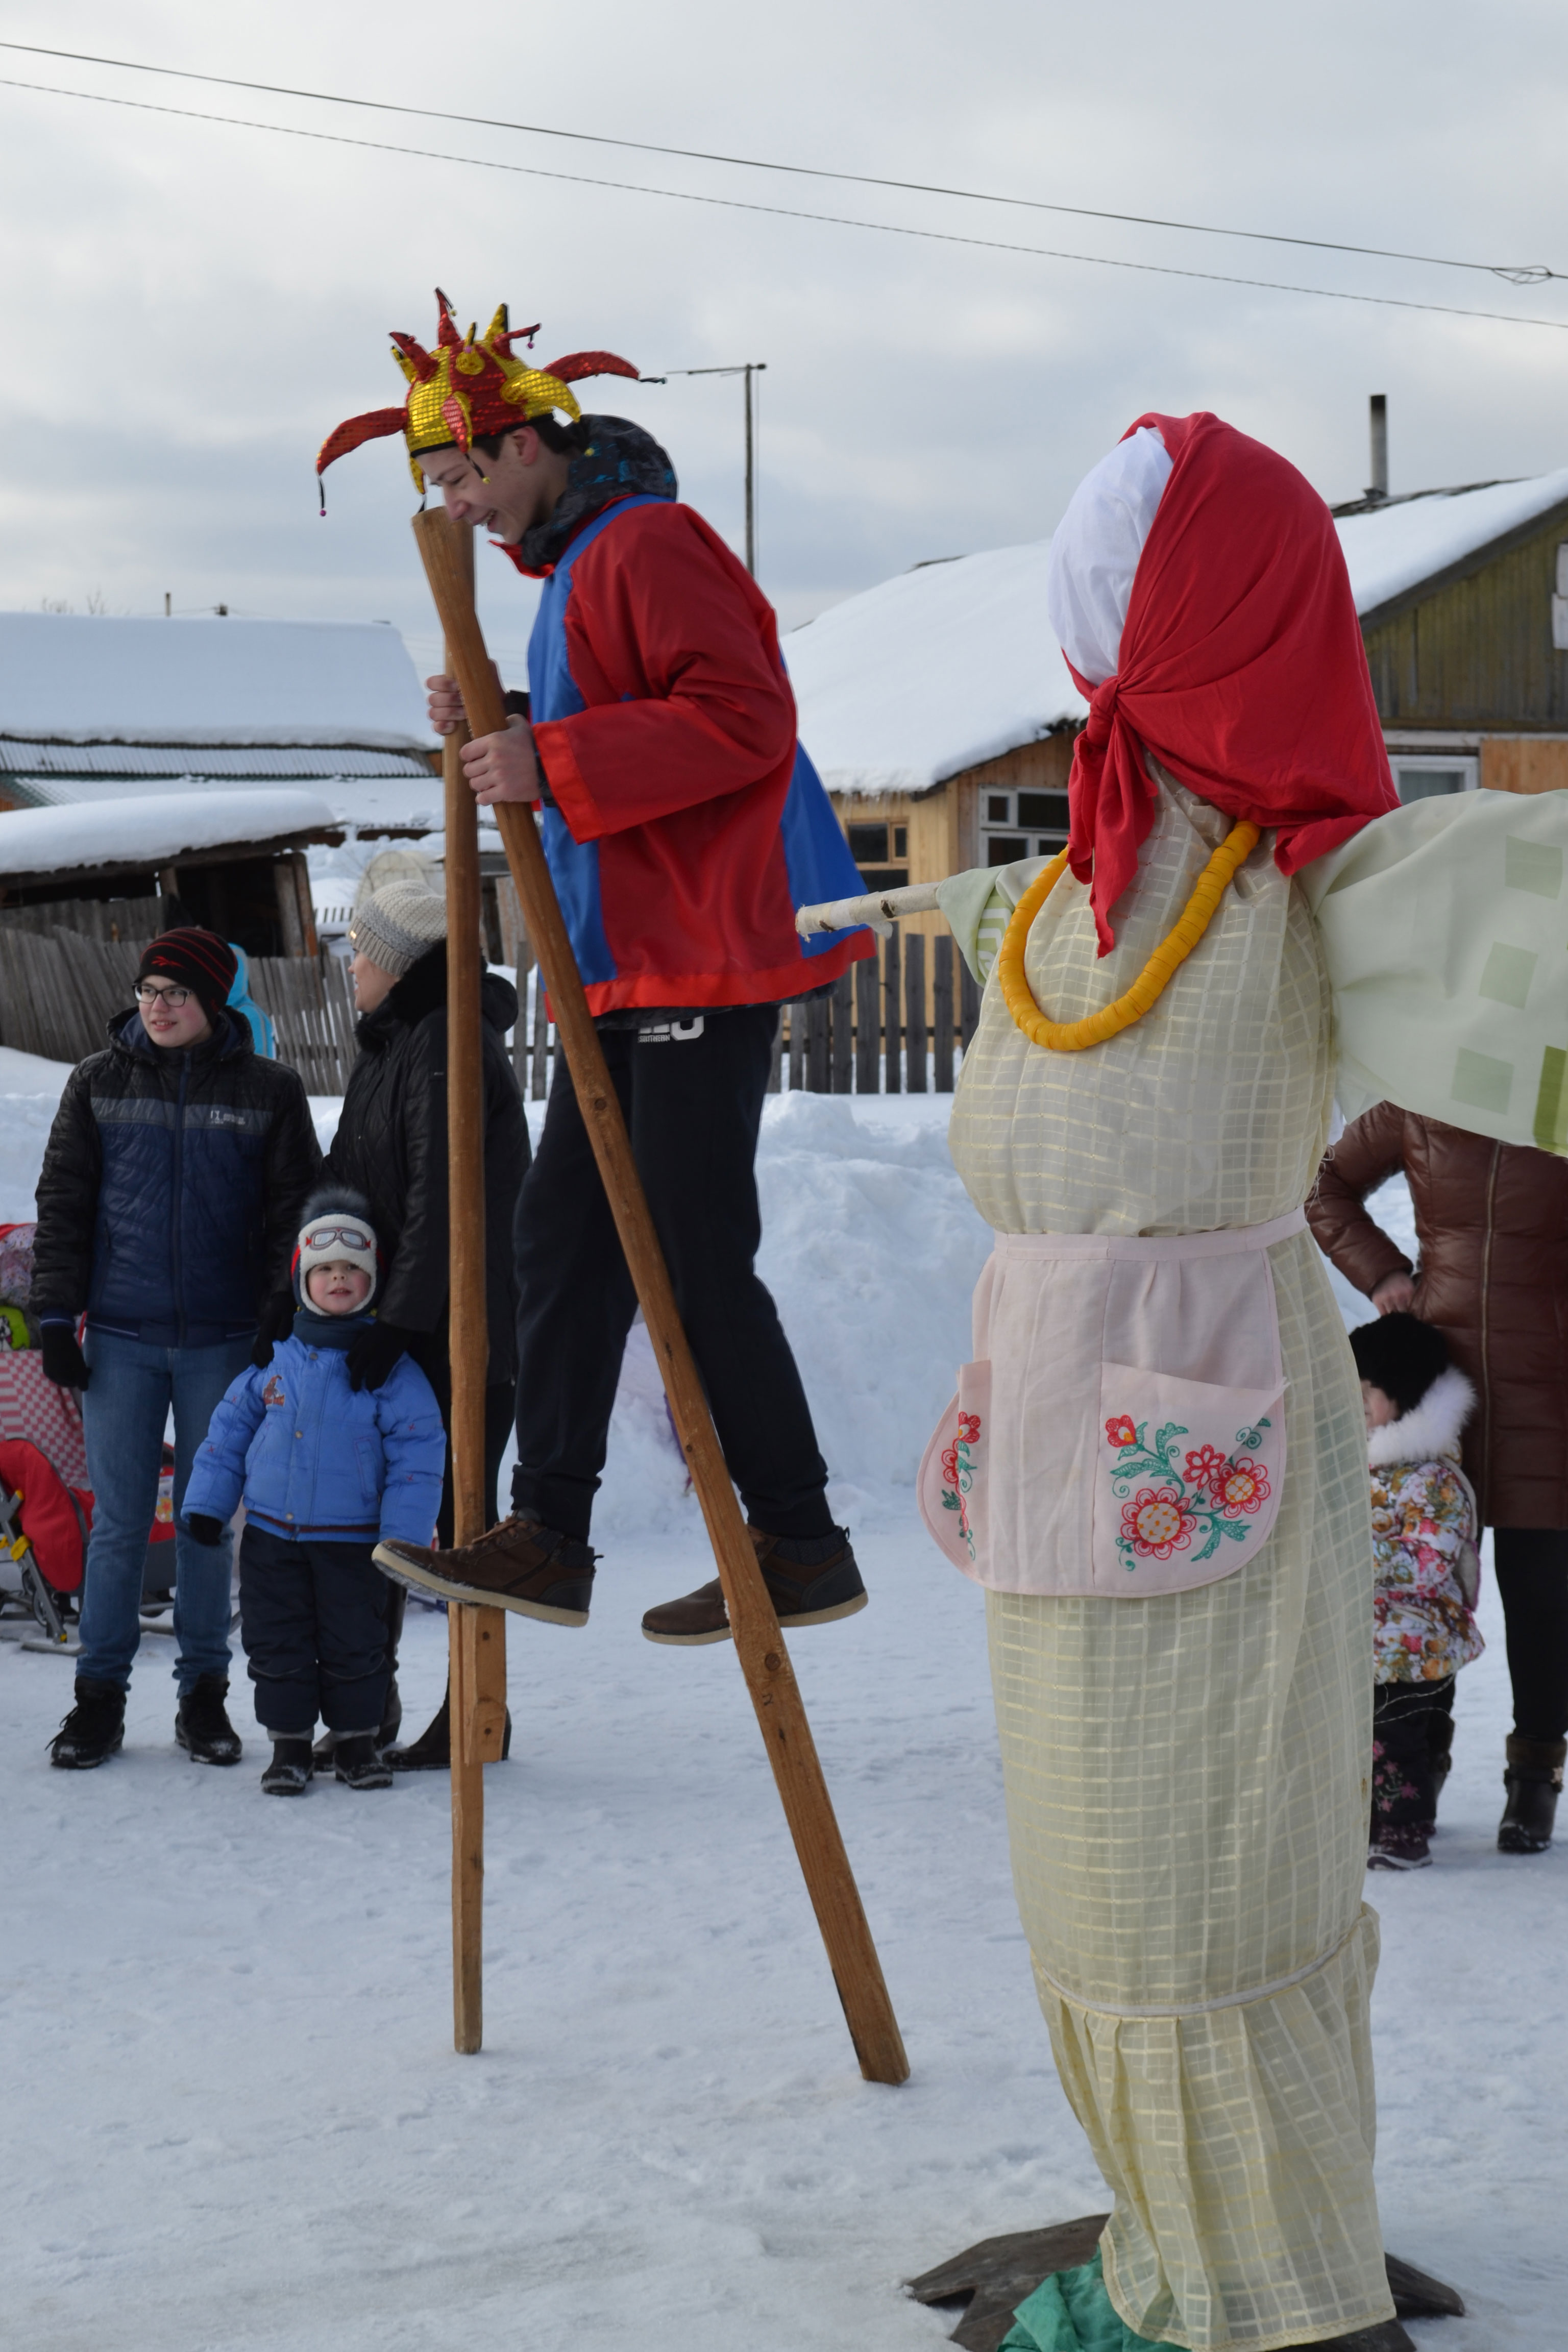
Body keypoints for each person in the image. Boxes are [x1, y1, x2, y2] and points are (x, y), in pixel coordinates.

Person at [317, 293, 873, 1643]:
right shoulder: (576, 575)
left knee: (688, 1257)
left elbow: (740, 719)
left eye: (462, 475)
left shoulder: (647, 541)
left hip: (700, 954)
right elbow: (618, 725)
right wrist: (505, 719)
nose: (458, 507)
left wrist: (547, 758)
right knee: (560, 1244)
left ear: (525, 445)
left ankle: (800, 1538)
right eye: (436, 487)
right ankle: (549, 1534)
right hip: (626, 968)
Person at [31, 925, 321, 1771]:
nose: (158, 1006)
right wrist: (56, 1316)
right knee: (119, 1526)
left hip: (225, 1345)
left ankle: (204, 1697)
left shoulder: (270, 1090)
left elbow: (291, 1218)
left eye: (178, 993)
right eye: (150, 991)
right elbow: (66, 1205)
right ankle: (98, 1700)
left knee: (202, 1526)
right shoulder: (97, 1083)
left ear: (213, 1002)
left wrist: (278, 1319)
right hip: (120, 1340)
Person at [1307, 1107, 1568, 1855]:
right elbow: (1323, 1183)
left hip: (1547, 1380)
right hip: (1434, 1380)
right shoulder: (1424, 1089)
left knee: (1540, 1588)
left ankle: (1535, 1773)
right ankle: (1420, 1758)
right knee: (1418, 1588)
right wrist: (1384, 1271)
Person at [324, 876, 528, 1768]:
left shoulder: (445, 1041)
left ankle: (476, 1712)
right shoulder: (391, 1044)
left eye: (361, 951)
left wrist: (400, 1322)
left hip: (462, 1337)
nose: (351, 967)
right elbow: (348, 1186)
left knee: (459, 1531)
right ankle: (375, 1708)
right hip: (409, 1329)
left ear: (399, 962)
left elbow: (447, 1200)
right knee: (402, 1529)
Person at [182, 1189, 446, 1794]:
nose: (338, 1279)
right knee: (278, 1642)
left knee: (358, 1644)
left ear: (373, 1281)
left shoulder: (389, 1370)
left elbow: (418, 1453)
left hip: (352, 1542)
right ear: (303, 1279)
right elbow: (227, 1433)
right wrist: (205, 1504)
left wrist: (402, 1534)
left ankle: (357, 1743)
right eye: (325, 1269)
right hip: (274, 1536)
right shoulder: (274, 1361)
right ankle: (290, 1747)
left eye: (352, 1270)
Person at [1350, 1311, 1482, 1869]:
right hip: (1367, 1638)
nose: (1355, 1408)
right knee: (1377, 1739)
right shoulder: (1357, 1466)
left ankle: (1403, 1829)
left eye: (1367, 1398)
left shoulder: (1432, 1479)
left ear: (1403, 1399)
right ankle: (1386, 1814)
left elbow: (1426, 1564)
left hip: (1414, 1643)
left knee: (1394, 1741)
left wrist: (1350, 1555)